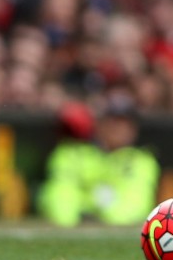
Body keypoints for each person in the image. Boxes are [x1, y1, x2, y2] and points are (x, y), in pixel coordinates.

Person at [39, 96, 161, 227]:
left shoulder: (142, 161)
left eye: (125, 123)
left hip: (113, 228)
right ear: (99, 124)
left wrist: (102, 219)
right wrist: (71, 221)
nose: (118, 128)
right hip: (75, 225)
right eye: (112, 121)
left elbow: (136, 201)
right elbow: (59, 192)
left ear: (134, 130)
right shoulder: (72, 153)